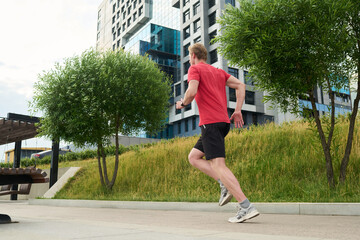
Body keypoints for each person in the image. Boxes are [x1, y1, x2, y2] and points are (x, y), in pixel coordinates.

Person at [176, 43, 259, 223]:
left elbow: (191, 91)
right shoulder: (218, 72)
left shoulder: (194, 69)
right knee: (194, 157)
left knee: (219, 165)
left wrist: (182, 103)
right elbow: (240, 85)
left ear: (192, 56)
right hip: (222, 123)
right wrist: (238, 110)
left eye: (190, 56)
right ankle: (223, 183)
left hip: (211, 124)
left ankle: (245, 206)